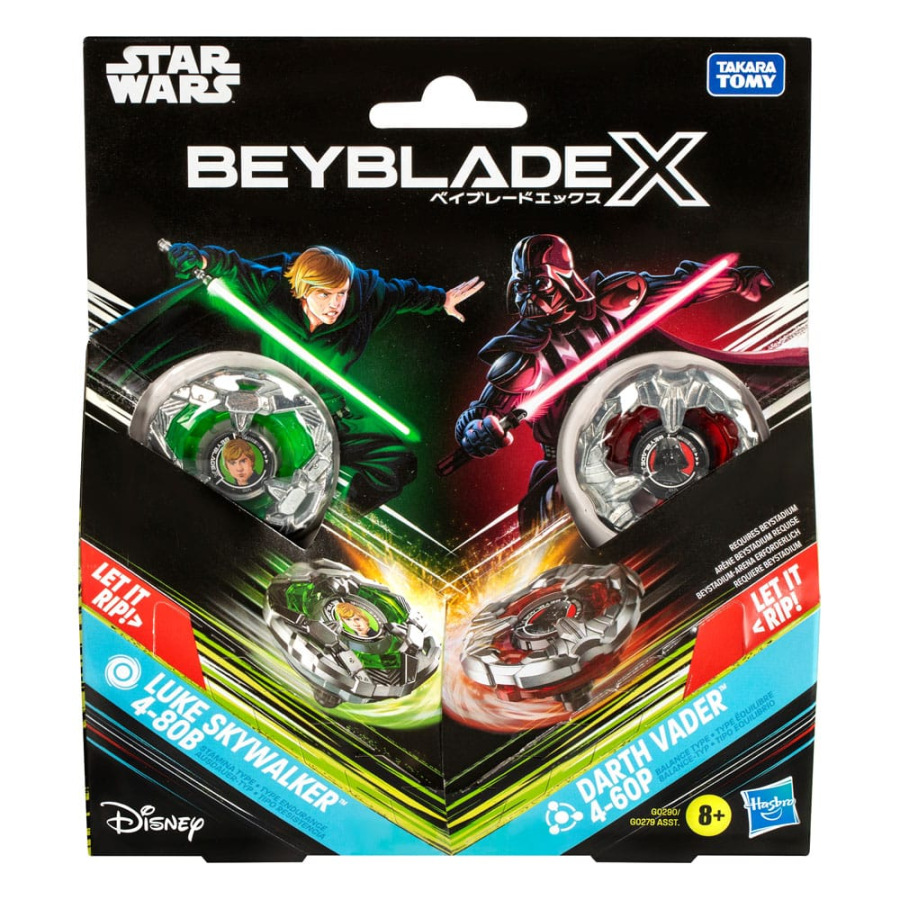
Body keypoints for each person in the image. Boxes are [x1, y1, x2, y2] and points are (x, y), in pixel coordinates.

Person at [453, 234, 773, 535]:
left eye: (539, 284)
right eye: (521, 287)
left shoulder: (613, 302)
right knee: (556, 519)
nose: (529, 297)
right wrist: (477, 433)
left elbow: (684, 287)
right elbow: (482, 412)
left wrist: (738, 280)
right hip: (576, 462)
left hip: (653, 432)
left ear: (564, 279)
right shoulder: (524, 355)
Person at [166, 241, 483, 513]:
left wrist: (442, 300)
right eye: (324, 294)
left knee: (397, 463)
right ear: (303, 291)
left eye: (341, 293)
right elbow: (233, 266)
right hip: (271, 405)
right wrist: (198, 257)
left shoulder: (364, 303)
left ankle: (341, 516)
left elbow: (403, 294)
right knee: (244, 458)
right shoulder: (274, 289)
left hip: (326, 411)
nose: (335, 304)